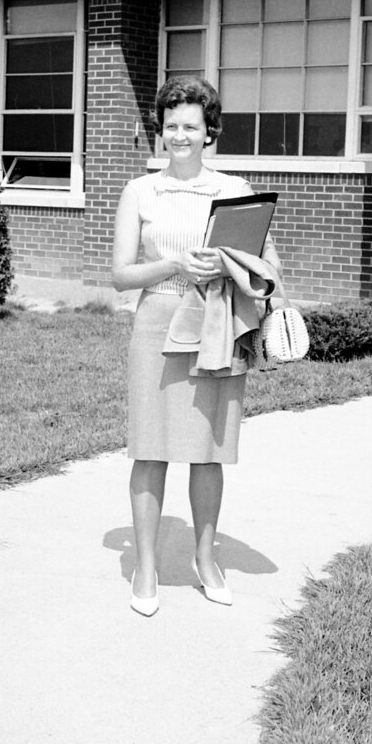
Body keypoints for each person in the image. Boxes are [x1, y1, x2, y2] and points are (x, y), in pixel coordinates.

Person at [111, 75, 281, 617]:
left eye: (191, 125)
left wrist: (226, 265)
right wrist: (175, 264)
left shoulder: (235, 190)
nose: (179, 135)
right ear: (160, 132)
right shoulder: (141, 191)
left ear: (211, 132)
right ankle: (145, 566)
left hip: (216, 326)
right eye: (170, 125)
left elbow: (271, 268)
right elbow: (120, 275)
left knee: (208, 452)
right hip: (158, 322)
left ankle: (207, 561)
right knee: (151, 448)